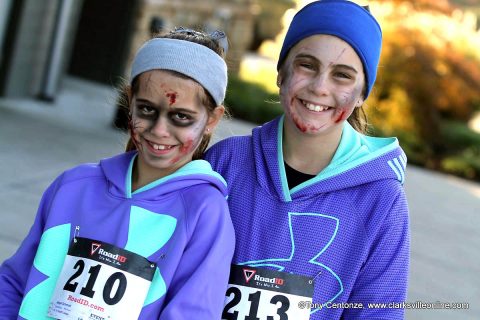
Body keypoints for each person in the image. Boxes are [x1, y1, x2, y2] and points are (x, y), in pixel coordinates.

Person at [0, 28, 234, 320]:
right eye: (146, 110)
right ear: (129, 101)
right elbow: (13, 281)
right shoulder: (73, 186)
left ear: (212, 119)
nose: (160, 130)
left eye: (181, 117)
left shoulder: (205, 213)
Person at [205, 1, 409, 319]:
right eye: (307, 65)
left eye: (342, 75)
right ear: (281, 73)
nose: (319, 87)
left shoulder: (381, 200)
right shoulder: (225, 162)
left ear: (361, 95)